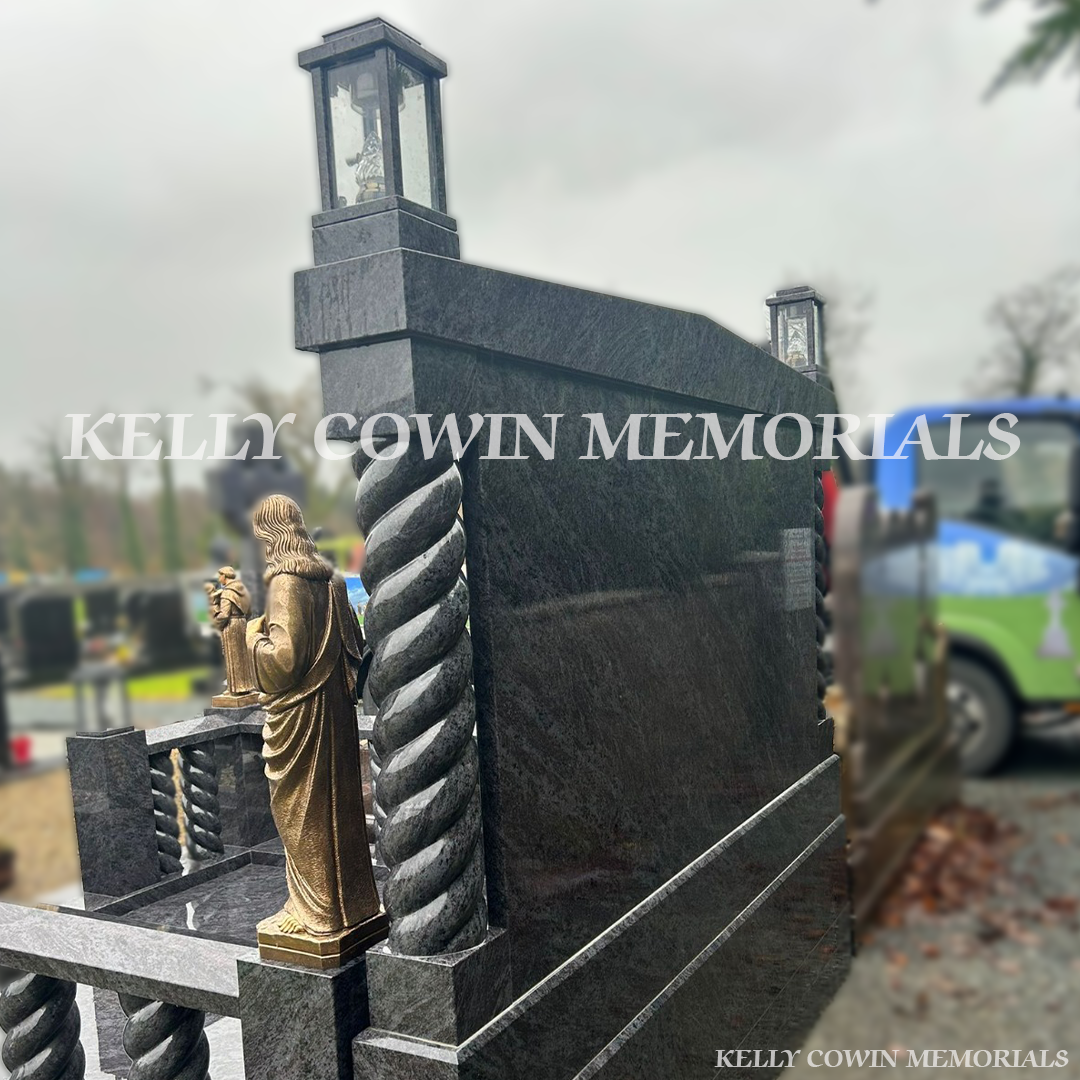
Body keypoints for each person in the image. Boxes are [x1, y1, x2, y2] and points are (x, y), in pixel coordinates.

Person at [246, 495, 383, 950]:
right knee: (336, 807)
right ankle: (354, 905)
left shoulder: (286, 583)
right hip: (334, 717)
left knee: (300, 811)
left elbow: (283, 660)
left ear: (270, 533)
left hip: (299, 718)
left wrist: (251, 637)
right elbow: (354, 645)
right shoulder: (332, 579)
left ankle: (316, 912)